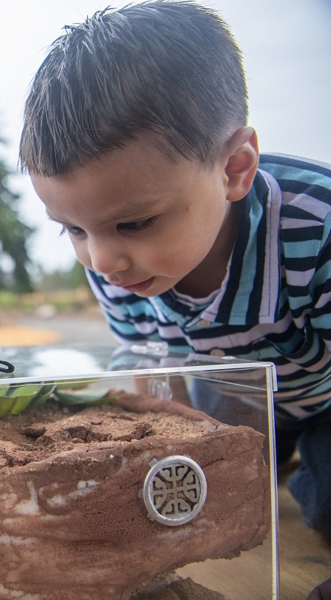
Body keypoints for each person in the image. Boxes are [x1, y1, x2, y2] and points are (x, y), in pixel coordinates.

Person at [19, 1, 331, 597]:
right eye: (73, 229)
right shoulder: (117, 264)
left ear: (234, 167)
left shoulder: (316, 232)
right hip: (236, 391)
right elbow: (159, 380)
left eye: (134, 224)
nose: (101, 262)